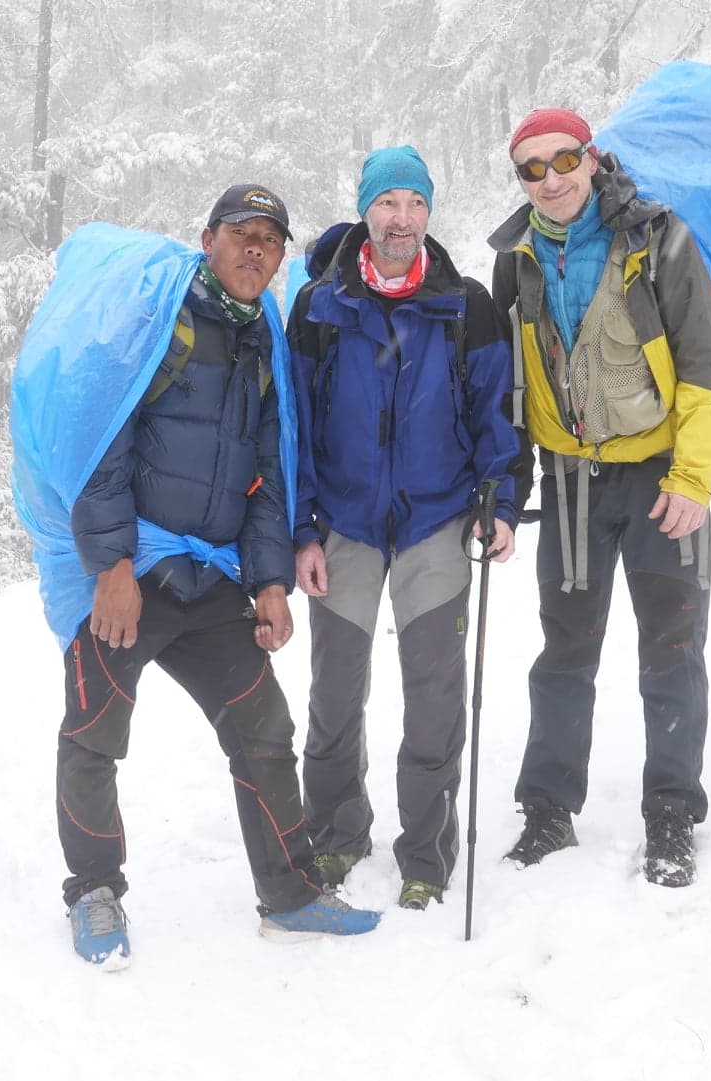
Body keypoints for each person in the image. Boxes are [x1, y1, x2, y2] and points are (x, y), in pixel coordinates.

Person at [54, 184, 381, 964]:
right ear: (208, 239)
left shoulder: (260, 338)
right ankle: (95, 892)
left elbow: (267, 471)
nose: (257, 250)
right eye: (243, 234)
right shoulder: (161, 325)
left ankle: (292, 893)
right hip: (136, 575)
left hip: (210, 582)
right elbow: (104, 442)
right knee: (93, 734)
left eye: (271, 239)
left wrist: (269, 581)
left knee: (264, 730)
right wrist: (113, 565)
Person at [486, 110, 711, 887]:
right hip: (566, 482)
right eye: (532, 168)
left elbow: (704, 366)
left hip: (661, 476)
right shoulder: (514, 262)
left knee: (672, 647)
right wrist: (502, 495)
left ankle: (670, 814)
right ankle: (549, 811)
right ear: (520, 180)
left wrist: (693, 481)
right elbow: (510, 393)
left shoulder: (660, 239)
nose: (551, 178)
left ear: (591, 159)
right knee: (564, 651)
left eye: (564, 159)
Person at [288, 147, 519, 911]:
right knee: (334, 698)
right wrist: (303, 529)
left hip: (436, 523)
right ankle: (337, 831)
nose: (401, 219)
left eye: (414, 203)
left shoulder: (468, 306)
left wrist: (503, 502)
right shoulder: (320, 306)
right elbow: (294, 428)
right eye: (387, 203)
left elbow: (496, 416)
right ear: (364, 211)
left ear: (428, 212)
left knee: (434, 699)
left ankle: (425, 851)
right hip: (347, 527)